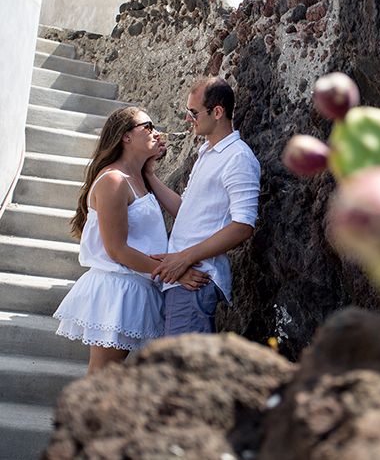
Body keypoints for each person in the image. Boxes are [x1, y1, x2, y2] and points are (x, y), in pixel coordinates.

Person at [54, 107, 211, 373]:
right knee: (103, 373)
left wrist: (149, 174)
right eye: (147, 126)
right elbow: (117, 250)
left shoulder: (137, 178)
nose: (156, 132)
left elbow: (184, 214)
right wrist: (174, 272)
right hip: (117, 288)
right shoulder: (113, 181)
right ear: (126, 137)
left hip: (136, 285)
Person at [146, 77, 260, 335]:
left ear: (217, 112)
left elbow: (243, 226)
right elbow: (186, 212)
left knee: (182, 373)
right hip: (181, 279)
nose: (189, 119)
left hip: (195, 280)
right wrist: (150, 176)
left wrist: (184, 258)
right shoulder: (206, 152)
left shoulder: (238, 157)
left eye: (193, 112)